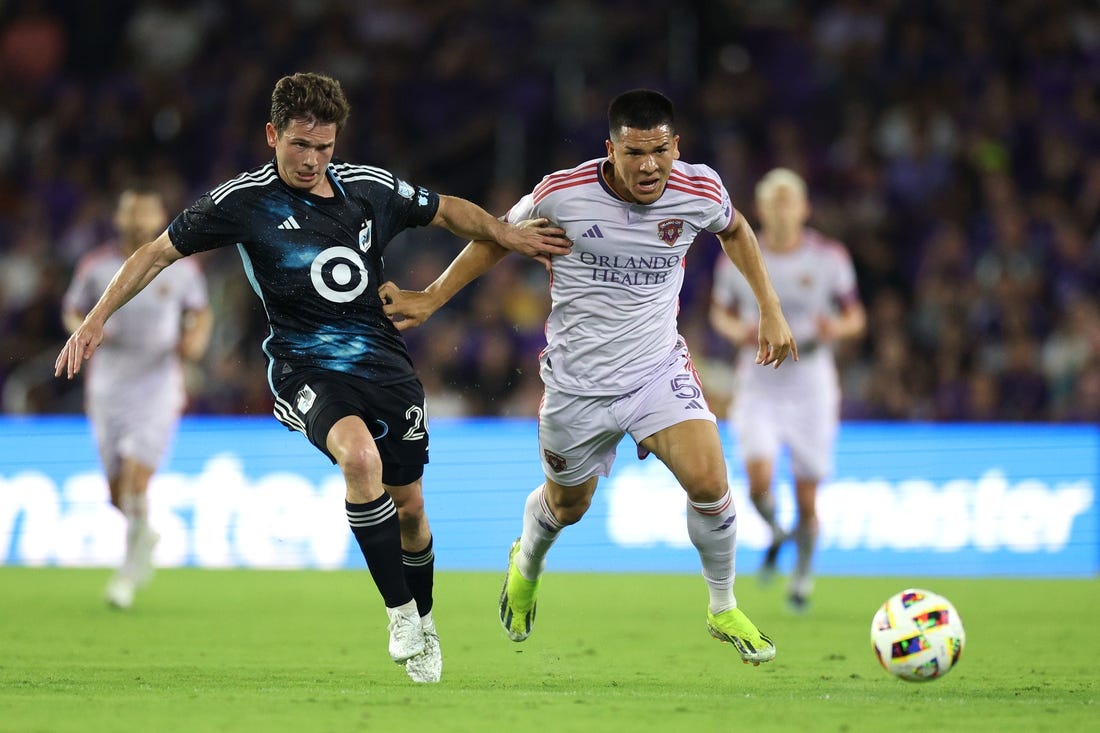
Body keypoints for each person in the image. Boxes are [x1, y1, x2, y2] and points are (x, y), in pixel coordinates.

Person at [55, 72, 572, 684]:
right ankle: (400, 613)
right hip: (304, 367)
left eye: (324, 147)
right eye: (300, 145)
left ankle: (425, 620)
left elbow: (445, 211)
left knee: (410, 509)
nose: (312, 159)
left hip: (384, 362)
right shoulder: (242, 201)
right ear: (272, 135)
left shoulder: (369, 189)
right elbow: (154, 253)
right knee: (358, 460)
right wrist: (94, 318)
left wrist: (503, 231)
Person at [380, 89, 796, 665]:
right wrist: (430, 298)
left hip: (656, 370)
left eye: (659, 151)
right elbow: (496, 238)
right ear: (611, 150)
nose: (649, 166)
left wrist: (770, 308)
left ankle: (722, 605)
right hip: (577, 386)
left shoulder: (699, 188)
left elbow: (736, 230)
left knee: (710, 482)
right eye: (634, 153)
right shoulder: (563, 193)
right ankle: (526, 560)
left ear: (677, 146)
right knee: (567, 506)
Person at [709, 167, 866, 612]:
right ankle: (777, 532)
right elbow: (718, 312)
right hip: (758, 381)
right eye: (773, 200)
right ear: (760, 209)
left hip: (810, 384)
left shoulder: (828, 257)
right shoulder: (736, 254)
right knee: (758, 482)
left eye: (789, 200)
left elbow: (856, 317)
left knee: (807, 497)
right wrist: (737, 329)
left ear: (804, 208)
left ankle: (802, 573)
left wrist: (836, 326)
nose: (781, 208)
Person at [62, 184, 213, 611]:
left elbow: (200, 311)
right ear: (120, 218)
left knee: (135, 478)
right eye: (132, 213)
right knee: (116, 494)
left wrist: (195, 340)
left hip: (158, 385)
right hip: (108, 385)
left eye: (147, 214)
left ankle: (127, 576)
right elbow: (73, 307)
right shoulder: (97, 266)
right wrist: (84, 327)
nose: (139, 221)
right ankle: (143, 529)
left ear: (160, 216)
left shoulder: (180, 268)